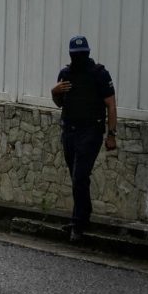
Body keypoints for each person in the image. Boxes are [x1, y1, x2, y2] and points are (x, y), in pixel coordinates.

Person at [50, 35, 117, 242]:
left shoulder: (99, 73)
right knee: (76, 177)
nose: (79, 57)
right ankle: (83, 215)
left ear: (88, 53)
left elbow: (111, 105)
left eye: (82, 53)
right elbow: (59, 104)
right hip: (69, 130)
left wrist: (111, 134)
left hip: (91, 131)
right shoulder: (65, 74)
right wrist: (54, 91)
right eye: (75, 54)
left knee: (80, 176)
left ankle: (78, 224)